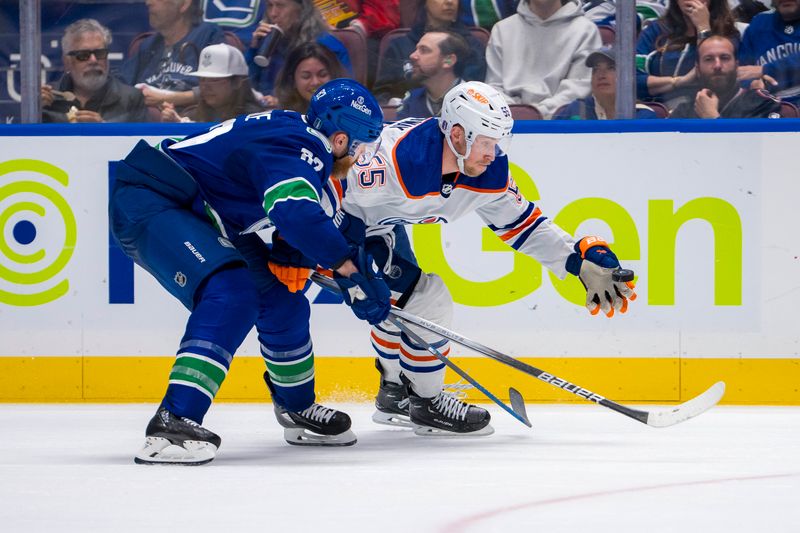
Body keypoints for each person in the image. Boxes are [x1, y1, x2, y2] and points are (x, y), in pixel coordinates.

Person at [272, 81, 637, 436]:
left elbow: (523, 225)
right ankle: (427, 402)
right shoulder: (382, 164)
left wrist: (576, 260)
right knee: (428, 299)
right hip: (339, 228)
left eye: (499, 142)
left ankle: (395, 390)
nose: (493, 154)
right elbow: (317, 187)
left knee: (397, 305)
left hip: (382, 225)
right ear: (458, 134)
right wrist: (319, 252)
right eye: (487, 142)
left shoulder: (487, 172)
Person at [109, 79, 389, 465]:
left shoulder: (299, 141)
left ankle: (296, 407)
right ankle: (175, 421)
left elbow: (304, 217)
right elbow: (292, 210)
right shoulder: (304, 147)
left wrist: (316, 260)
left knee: (281, 300)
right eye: (363, 145)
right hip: (155, 197)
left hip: (207, 213)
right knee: (232, 292)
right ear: (341, 139)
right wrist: (343, 265)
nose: (361, 157)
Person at [485, 0, 602, 119]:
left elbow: (577, 88)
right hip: (508, 123)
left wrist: (539, 112)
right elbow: (494, 87)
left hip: (561, 123)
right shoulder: (502, 29)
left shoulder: (585, 30)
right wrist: (514, 113)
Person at [373, 0, 487, 103]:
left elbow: (476, 92)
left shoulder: (472, 46)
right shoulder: (399, 46)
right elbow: (382, 95)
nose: (450, 2)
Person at [119, 0, 225, 110]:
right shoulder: (148, 45)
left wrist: (167, 98)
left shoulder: (208, 35)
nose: (148, 2)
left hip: (187, 122)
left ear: (184, 4)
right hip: (143, 122)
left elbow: (220, 89)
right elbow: (120, 85)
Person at [635, 0, 738, 111]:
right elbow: (632, 81)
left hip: (708, 107)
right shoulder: (655, 30)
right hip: (657, 111)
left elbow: (711, 79)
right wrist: (678, 81)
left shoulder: (729, 33)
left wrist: (703, 28)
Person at [247, 0, 352, 106]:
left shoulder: (326, 45)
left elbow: (342, 94)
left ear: (301, 9)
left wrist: (284, 103)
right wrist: (254, 48)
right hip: (263, 111)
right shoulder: (269, 40)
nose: (273, 13)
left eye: (280, 5)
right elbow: (248, 85)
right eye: (270, 6)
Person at [41, 19, 147, 123]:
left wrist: (103, 130)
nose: (93, 60)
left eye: (100, 53)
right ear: (67, 62)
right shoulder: (49, 100)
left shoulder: (131, 99)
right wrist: (34, 112)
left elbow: (144, 140)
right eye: (83, 55)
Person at [670, 35, 782, 119]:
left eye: (724, 58)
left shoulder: (761, 103)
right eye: (708, 59)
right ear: (698, 69)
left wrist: (712, 118)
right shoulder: (682, 113)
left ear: (737, 65)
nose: (717, 65)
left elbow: (758, 149)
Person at [160, 43, 263, 122]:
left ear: (237, 82)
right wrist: (173, 127)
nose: (205, 87)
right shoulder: (192, 115)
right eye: (202, 79)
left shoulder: (254, 118)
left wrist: (183, 126)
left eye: (214, 80)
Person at [553, 46, 659, 119]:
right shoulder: (576, 109)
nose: (601, 75)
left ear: (628, 78)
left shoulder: (642, 116)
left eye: (611, 68)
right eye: (596, 69)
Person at [737, 0, 800, 105]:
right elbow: (742, 72)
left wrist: (766, 70)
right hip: (766, 107)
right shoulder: (759, 23)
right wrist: (752, 83)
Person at [396, 30, 470, 119]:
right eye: (416, 49)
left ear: (448, 60)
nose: (412, 55)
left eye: (424, 50)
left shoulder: (473, 101)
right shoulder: (411, 100)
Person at [273, 42, 348, 113]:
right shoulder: (283, 118)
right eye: (306, 76)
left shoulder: (350, 113)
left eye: (322, 74)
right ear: (292, 80)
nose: (315, 82)